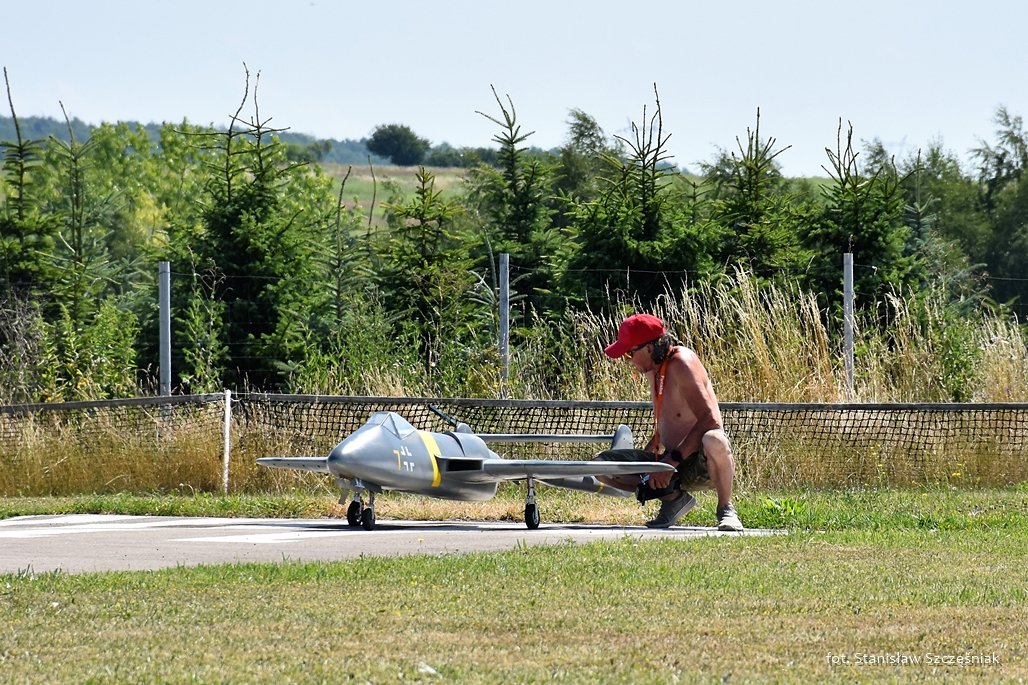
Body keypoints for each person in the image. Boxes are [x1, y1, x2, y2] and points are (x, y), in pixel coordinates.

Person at [595, 313, 744, 531]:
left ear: (648, 349)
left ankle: (726, 509)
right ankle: (674, 500)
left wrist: (668, 464)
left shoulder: (682, 363)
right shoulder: (653, 370)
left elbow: (710, 420)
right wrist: (648, 467)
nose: (628, 361)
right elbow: (668, 422)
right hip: (671, 461)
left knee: (715, 439)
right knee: (601, 466)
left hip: (698, 464)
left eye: (629, 353)